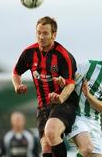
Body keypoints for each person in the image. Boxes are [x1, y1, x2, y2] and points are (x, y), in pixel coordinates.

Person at [12, 16, 78, 157]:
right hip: (43, 105)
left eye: (45, 33)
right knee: (46, 145)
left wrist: (60, 97)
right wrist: (17, 85)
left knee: (52, 131)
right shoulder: (29, 53)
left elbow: (71, 85)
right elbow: (16, 72)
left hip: (65, 103)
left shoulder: (63, 56)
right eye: (38, 33)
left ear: (54, 34)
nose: (41, 37)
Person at [57, 42, 102, 157]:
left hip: (94, 121)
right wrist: (62, 84)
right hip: (75, 115)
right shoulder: (88, 65)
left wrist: (88, 95)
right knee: (87, 148)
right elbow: (69, 82)